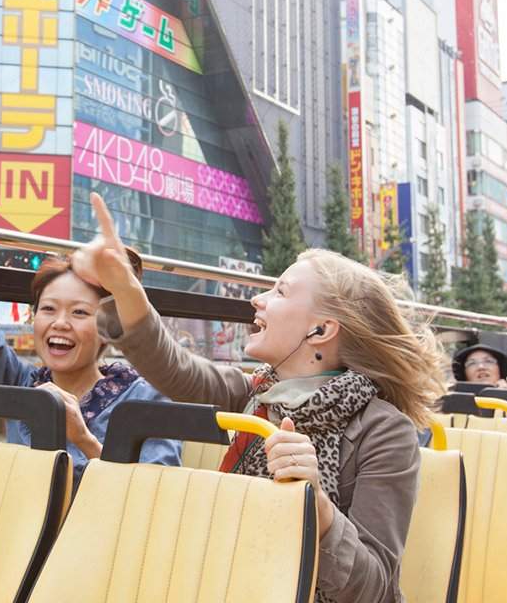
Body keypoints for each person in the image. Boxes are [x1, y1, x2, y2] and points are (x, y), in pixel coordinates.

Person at [71, 193, 444, 602]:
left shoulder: (385, 431)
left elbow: (374, 590)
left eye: (280, 292)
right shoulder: (253, 393)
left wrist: (316, 504)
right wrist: (124, 287)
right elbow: (174, 366)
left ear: (321, 330)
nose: (258, 299)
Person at [0, 152, 181, 484]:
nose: (60, 323)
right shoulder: (21, 386)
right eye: (48, 309)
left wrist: (83, 439)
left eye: (79, 312)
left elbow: (157, 498)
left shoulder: (146, 396)